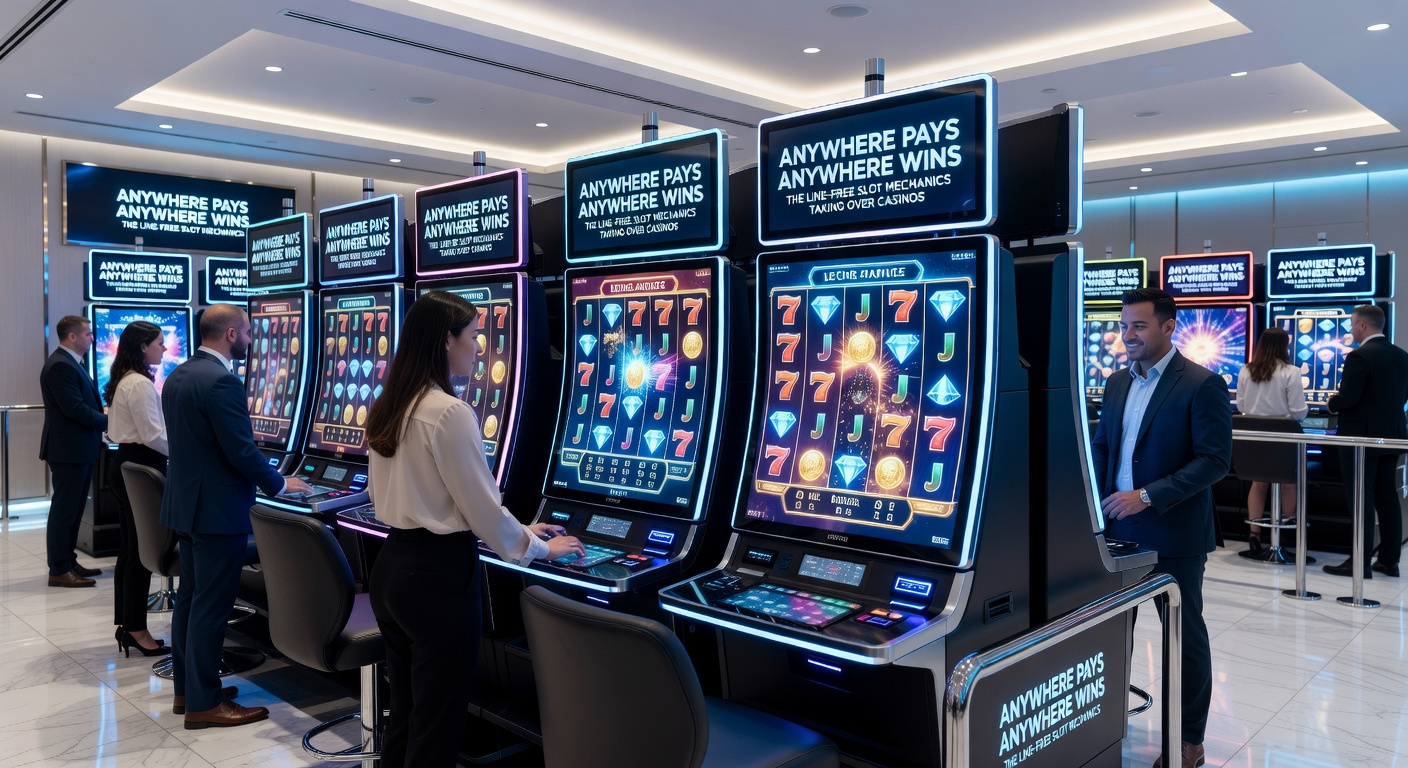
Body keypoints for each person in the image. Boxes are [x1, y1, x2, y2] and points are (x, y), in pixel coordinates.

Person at [366, 291, 584, 768]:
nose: (478, 346)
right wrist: (545, 550)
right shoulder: (448, 412)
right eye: (473, 336)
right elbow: (482, 512)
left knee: (405, 714)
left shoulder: (391, 403)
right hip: (437, 579)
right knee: (437, 727)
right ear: (447, 340)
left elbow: (435, 498)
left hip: (393, 567)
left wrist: (523, 527)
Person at [1090, 288, 1232, 768]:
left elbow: (1214, 461)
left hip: (1174, 532)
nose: (1127, 335)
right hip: (1116, 529)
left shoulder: (1200, 384)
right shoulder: (1114, 383)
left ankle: (1190, 740)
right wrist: (1095, 504)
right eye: (1124, 325)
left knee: (1184, 636)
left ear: (1169, 328)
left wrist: (1147, 496)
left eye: (1139, 326)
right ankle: (1107, 722)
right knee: (1111, 633)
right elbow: (1104, 448)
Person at [160, 303, 312, 729]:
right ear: (230, 334)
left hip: (187, 506)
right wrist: (282, 484)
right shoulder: (222, 382)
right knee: (210, 606)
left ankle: (189, 689)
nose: (250, 340)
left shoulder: (180, 374)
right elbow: (241, 451)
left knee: (190, 601)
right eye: (246, 332)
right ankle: (204, 705)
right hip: (217, 510)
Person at [1324, 304, 1408, 579]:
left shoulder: (1359, 357)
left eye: (1352, 324)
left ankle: (1360, 562)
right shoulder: (1401, 355)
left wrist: (1332, 403)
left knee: (1361, 498)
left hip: (1361, 438)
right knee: (1388, 497)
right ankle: (1389, 560)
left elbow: (1349, 398)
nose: (1350, 330)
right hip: (1394, 434)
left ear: (1362, 326)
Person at [104, 321, 171, 656]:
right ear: (143, 346)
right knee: (141, 555)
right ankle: (136, 629)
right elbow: (154, 436)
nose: (165, 348)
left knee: (131, 552)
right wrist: (188, 453)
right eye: (160, 342)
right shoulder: (139, 383)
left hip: (127, 465)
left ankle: (129, 625)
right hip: (143, 467)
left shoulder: (125, 378)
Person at [39, 314, 108, 588]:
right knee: (64, 510)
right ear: (72, 336)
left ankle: (67, 560)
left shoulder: (70, 362)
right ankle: (58, 568)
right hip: (68, 450)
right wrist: (111, 420)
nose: (92, 338)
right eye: (88, 334)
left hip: (79, 448)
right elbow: (75, 409)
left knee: (74, 509)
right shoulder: (60, 366)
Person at [1234, 326, 1309, 553]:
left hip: (1254, 439)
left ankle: (1254, 534)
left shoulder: (1246, 370)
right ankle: (1285, 533)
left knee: (1259, 482)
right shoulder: (1291, 371)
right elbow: (1298, 412)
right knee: (1289, 481)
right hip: (1283, 438)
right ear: (1284, 345)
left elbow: (1242, 407)